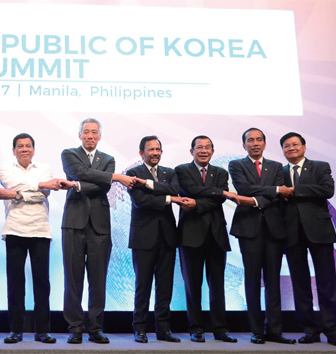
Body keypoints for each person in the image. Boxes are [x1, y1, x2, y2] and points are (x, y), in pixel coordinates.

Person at [60, 118, 135, 344]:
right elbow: (77, 171)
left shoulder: (109, 159)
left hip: (100, 225)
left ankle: (95, 328)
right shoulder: (69, 154)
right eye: (86, 132)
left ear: (100, 136)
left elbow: (102, 185)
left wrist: (77, 185)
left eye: (94, 132)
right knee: (72, 279)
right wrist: (111, 176)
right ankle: (75, 327)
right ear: (80, 135)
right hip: (73, 222)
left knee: (98, 279)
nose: (90, 136)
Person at [0, 133, 74, 344]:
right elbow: (16, 186)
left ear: (33, 149)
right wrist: (37, 186)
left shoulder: (44, 168)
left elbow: (44, 193)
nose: (24, 149)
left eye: (28, 146)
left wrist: (19, 195)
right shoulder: (5, 168)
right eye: (20, 146)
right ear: (14, 150)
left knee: (42, 283)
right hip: (14, 229)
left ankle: (42, 331)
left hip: (40, 230)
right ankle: (15, 331)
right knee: (15, 283)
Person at [228, 127, 296, 344]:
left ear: (265, 144)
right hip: (249, 229)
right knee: (252, 280)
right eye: (250, 140)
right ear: (244, 145)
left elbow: (271, 196)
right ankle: (257, 331)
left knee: (273, 281)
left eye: (259, 140)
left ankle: (274, 331)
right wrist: (275, 190)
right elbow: (244, 188)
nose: (255, 143)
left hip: (274, 229)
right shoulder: (236, 164)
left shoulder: (276, 167)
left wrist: (260, 197)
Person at [279, 132, 336, 347]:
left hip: (319, 231)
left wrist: (295, 191)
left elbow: (327, 190)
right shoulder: (278, 172)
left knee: (326, 283)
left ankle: (333, 331)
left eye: (295, 145)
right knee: (300, 284)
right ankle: (310, 330)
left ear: (304, 147)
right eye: (287, 146)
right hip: (291, 233)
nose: (291, 148)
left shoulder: (320, 166)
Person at [174, 135, 240, 343]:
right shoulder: (182, 170)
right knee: (192, 285)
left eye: (207, 147)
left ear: (213, 151)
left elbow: (219, 198)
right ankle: (196, 328)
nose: (203, 150)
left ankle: (220, 328)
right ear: (191, 151)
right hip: (190, 235)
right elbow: (190, 190)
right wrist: (218, 193)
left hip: (216, 235)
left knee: (217, 284)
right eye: (199, 147)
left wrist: (202, 202)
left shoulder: (221, 172)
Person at [127, 135, 189, 344]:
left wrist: (151, 186)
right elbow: (141, 201)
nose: (155, 153)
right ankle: (140, 328)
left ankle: (163, 329)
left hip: (168, 238)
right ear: (141, 153)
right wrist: (170, 199)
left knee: (165, 287)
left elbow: (174, 188)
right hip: (143, 238)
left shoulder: (170, 173)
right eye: (150, 149)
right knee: (142, 286)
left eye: (158, 150)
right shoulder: (133, 173)